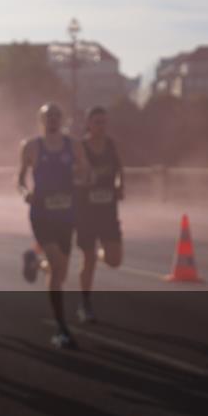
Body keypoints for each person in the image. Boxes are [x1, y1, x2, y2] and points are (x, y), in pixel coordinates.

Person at [18, 103, 88, 349]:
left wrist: (79, 178)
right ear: (41, 120)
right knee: (58, 266)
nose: (53, 120)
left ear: (62, 119)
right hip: (42, 215)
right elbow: (20, 180)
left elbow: (85, 173)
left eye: (57, 116)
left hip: (66, 216)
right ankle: (61, 327)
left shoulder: (74, 146)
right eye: (49, 116)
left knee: (60, 272)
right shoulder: (32, 147)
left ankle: (35, 262)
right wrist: (26, 192)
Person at [74, 106, 125, 323]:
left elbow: (120, 170)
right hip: (86, 212)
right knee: (88, 259)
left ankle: (103, 250)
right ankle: (84, 304)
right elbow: (71, 175)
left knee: (114, 260)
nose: (101, 126)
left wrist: (120, 186)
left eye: (104, 122)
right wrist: (83, 181)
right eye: (97, 122)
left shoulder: (111, 145)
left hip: (108, 211)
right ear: (88, 124)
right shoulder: (80, 147)